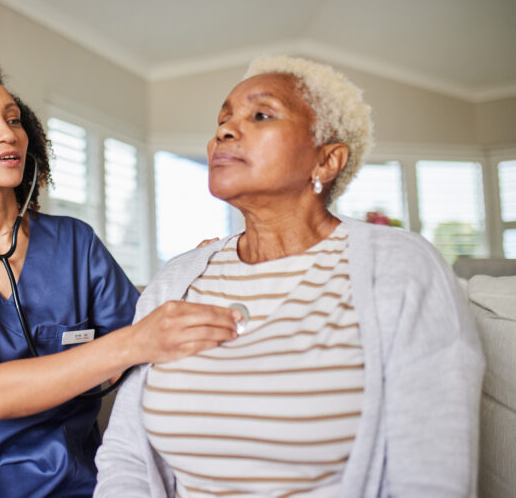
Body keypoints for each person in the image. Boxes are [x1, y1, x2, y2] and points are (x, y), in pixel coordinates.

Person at [95, 56, 484, 497]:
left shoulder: (401, 269)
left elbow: (432, 476)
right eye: (222, 119)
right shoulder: (177, 280)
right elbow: (125, 455)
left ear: (327, 160)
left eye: (262, 115)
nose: (223, 131)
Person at [0, 50, 241, 498]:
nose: (8, 133)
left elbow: (142, 346)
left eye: (14, 118)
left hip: (69, 482)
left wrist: (187, 275)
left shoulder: (75, 243)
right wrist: (133, 342)